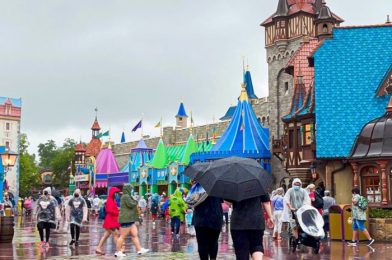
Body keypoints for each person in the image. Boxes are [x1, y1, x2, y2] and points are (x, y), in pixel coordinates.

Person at [230, 194, 274, 260]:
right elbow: (266, 202)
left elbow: (228, 202)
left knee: (241, 250)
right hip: (256, 220)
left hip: (238, 222)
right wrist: (270, 217)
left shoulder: (233, 185)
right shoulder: (259, 185)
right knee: (257, 245)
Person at [114, 184, 149, 257]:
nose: (132, 190)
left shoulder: (127, 196)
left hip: (130, 219)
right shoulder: (126, 196)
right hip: (126, 219)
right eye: (131, 189)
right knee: (122, 236)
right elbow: (131, 204)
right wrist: (136, 200)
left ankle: (139, 249)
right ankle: (118, 251)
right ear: (128, 189)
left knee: (135, 235)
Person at [96, 187, 121, 255]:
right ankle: (119, 250)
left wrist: (117, 210)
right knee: (116, 234)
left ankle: (98, 248)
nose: (117, 194)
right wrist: (117, 212)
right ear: (113, 193)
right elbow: (109, 210)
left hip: (111, 221)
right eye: (116, 193)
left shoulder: (112, 200)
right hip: (110, 221)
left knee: (106, 236)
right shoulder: (110, 200)